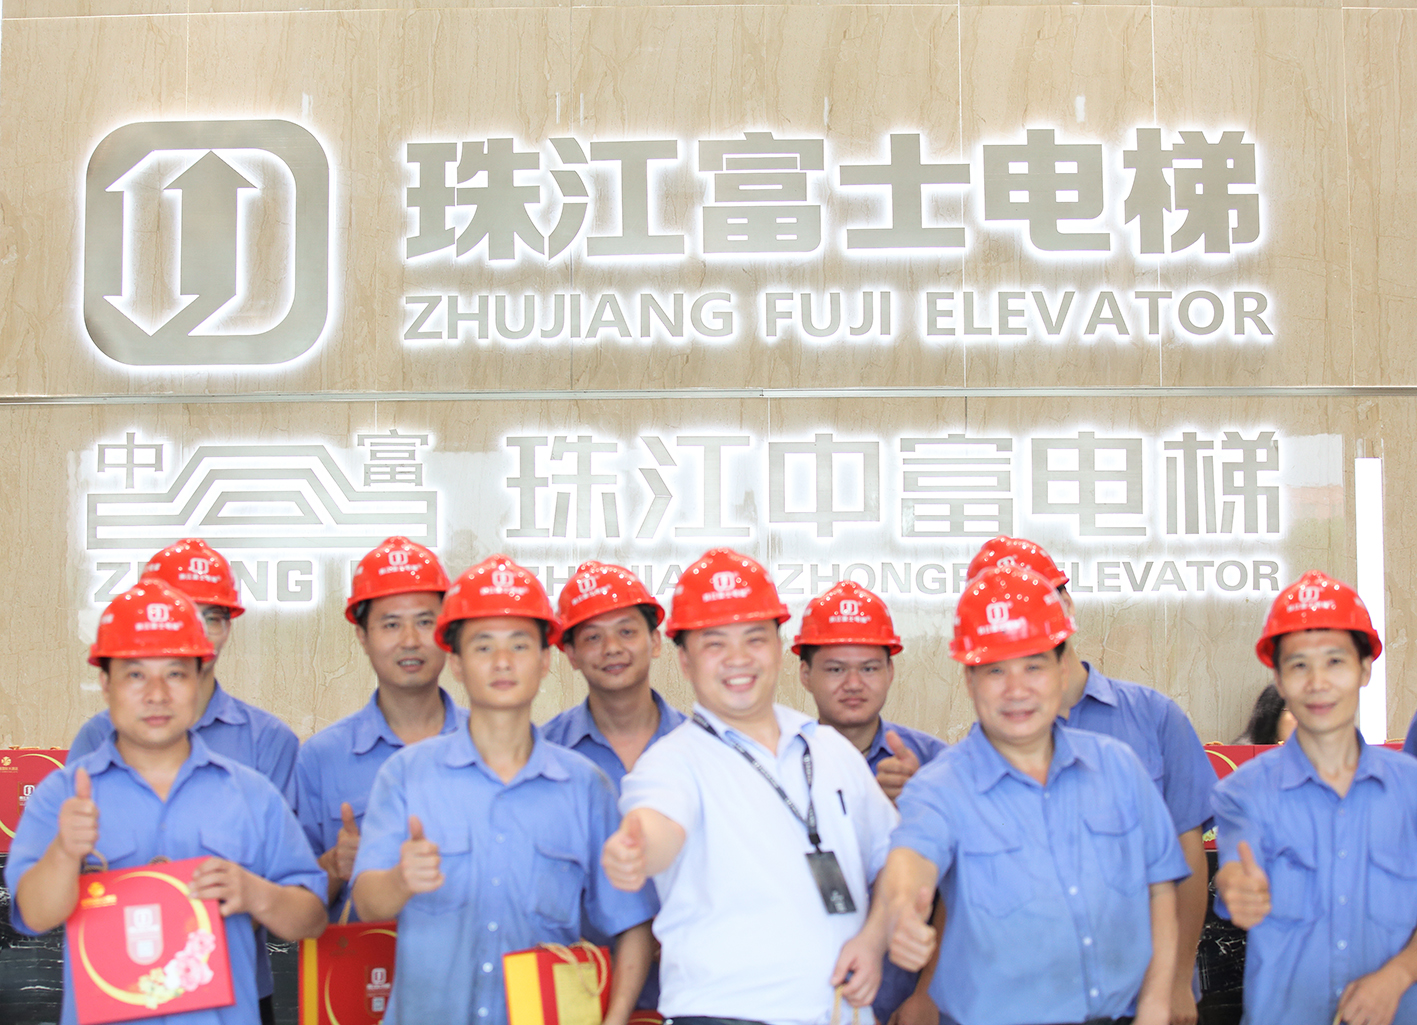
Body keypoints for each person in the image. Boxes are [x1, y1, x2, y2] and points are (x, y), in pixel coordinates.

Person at [860, 564, 1190, 1025]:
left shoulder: (1118, 767)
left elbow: (1160, 889)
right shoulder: (941, 786)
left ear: (1061, 670)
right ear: (970, 681)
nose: (1016, 690)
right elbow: (910, 862)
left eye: (1033, 666)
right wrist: (898, 914)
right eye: (995, 670)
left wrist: (1154, 1006)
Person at [350, 555, 656, 1025]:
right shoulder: (407, 773)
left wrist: (613, 1019)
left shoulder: (584, 786)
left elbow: (632, 920)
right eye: (483, 646)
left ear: (545, 660)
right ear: (456, 662)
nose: (502, 662)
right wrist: (400, 880)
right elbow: (367, 902)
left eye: (519, 644)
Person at [6, 577, 327, 1025]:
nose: (156, 694)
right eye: (136, 674)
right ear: (105, 681)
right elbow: (34, 916)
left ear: (198, 678)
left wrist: (256, 893)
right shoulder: (63, 795)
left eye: (175, 673)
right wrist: (63, 853)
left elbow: (311, 919)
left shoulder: (250, 795)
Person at [603, 548, 900, 1025]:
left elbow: (894, 859)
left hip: (842, 1014)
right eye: (714, 643)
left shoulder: (829, 749)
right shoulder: (672, 762)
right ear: (684, 660)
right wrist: (637, 848)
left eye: (755, 638)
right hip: (722, 1015)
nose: (738, 659)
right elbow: (657, 825)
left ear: (779, 647)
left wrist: (873, 937)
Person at [967, 535, 1216, 1025]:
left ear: (1068, 605)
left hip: (1143, 994)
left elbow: (1187, 856)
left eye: (1040, 600)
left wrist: (1176, 979)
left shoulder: (1153, 717)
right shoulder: (982, 748)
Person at [67, 538, 300, 1025]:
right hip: (118, 986)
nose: (193, 630)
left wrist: (236, 889)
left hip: (233, 992)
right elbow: (54, 886)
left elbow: (294, 893)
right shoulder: (95, 738)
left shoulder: (269, 742)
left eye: (211, 617)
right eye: (178, 612)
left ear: (228, 628)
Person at [1213, 570, 1417, 1025]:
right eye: (1299, 665)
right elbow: (1236, 871)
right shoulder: (1242, 793)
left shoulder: (1411, 789)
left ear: (1365, 669)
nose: (1318, 682)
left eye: (1335, 661)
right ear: (1279, 679)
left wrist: (1399, 975)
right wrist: (1236, 888)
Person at [794, 579, 946, 1025]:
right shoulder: (778, 764)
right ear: (805, 674)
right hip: (802, 997)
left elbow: (964, 894)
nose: (854, 684)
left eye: (870, 668)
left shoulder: (934, 764)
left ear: (891, 671)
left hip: (905, 998)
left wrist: (928, 994)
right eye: (835, 669)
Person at [295, 536, 467, 918]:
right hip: (362, 953)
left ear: (446, 633)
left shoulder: (489, 743)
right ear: (363, 636)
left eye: (425, 622)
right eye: (391, 624)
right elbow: (289, 907)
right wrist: (335, 866)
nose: (410, 641)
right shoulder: (321, 758)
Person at [543, 560, 684, 1015]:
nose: (612, 649)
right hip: (575, 987)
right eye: (592, 637)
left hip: (693, 988)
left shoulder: (703, 750)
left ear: (655, 641)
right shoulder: (543, 755)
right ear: (569, 653)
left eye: (626, 631)